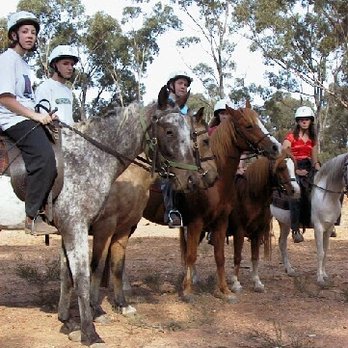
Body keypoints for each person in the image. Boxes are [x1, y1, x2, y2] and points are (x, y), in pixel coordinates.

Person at [0, 11, 58, 235]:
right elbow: (5, 98)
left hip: (25, 116)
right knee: (45, 159)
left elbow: (25, 98)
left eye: (33, 32)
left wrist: (44, 114)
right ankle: (32, 216)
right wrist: (34, 117)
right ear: (14, 35)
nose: (30, 36)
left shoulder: (24, 65)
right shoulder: (7, 60)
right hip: (12, 119)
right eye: (25, 31)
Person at [282, 106, 320, 243]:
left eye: (307, 119)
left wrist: (319, 170)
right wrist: (296, 170)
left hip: (309, 166)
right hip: (293, 165)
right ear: (297, 121)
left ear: (311, 121)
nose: (304, 121)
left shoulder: (312, 138)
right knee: (296, 193)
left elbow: (314, 158)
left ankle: (326, 222)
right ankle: (295, 229)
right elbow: (284, 150)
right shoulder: (291, 136)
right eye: (302, 119)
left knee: (321, 188)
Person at [161, 71, 193, 228]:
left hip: (183, 150)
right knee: (168, 176)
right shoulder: (164, 103)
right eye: (181, 83)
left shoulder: (186, 109)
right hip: (165, 149)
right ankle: (171, 211)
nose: (184, 87)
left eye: (186, 85)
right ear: (171, 85)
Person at [35, 45, 79, 125]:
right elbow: (42, 116)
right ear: (55, 65)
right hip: (53, 134)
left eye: (72, 64)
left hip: (69, 135)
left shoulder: (68, 91)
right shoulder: (45, 88)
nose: (70, 68)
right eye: (65, 64)